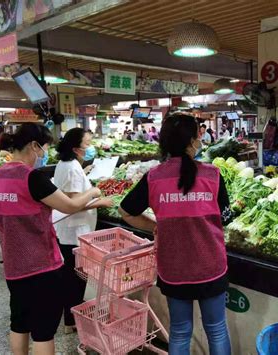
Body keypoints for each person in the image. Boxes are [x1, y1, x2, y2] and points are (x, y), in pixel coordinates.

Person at [119, 114, 232, 355]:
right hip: (210, 265)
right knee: (217, 329)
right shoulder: (212, 175)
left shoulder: (153, 177)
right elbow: (226, 216)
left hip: (174, 269)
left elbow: (125, 212)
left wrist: (156, 227)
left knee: (180, 331)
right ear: (193, 141)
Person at [0, 123, 101, 355]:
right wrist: (93, 192)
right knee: (43, 331)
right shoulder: (32, 178)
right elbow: (70, 205)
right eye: (45, 147)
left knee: (19, 323)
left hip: (13, 266)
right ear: (34, 146)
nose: (45, 153)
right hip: (42, 267)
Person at [53, 128, 114, 334]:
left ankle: (71, 318)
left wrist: (85, 174)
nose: (90, 147)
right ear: (76, 148)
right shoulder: (71, 168)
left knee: (73, 276)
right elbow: (71, 203)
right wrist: (98, 199)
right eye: (87, 144)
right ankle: (71, 321)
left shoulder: (67, 164)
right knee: (75, 278)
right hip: (74, 231)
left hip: (70, 229)